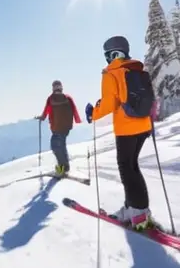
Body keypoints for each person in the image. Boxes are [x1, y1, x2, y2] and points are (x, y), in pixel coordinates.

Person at [84, 35, 159, 231]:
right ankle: (133, 208)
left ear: (111, 54)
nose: (107, 60)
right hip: (143, 126)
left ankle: (139, 214)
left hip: (126, 129)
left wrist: (94, 113)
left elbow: (110, 104)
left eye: (107, 55)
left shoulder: (111, 73)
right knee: (133, 167)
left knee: (127, 169)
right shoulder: (136, 69)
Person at [36, 80, 82, 176]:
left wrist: (42, 117)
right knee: (61, 145)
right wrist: (77, 120)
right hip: (66, 127)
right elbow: (74, 109)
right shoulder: (68, 98)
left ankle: (61, 169)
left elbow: (46, 110)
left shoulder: (51, 99)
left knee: (55, 146)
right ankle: (65, 167)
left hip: (56, 127)